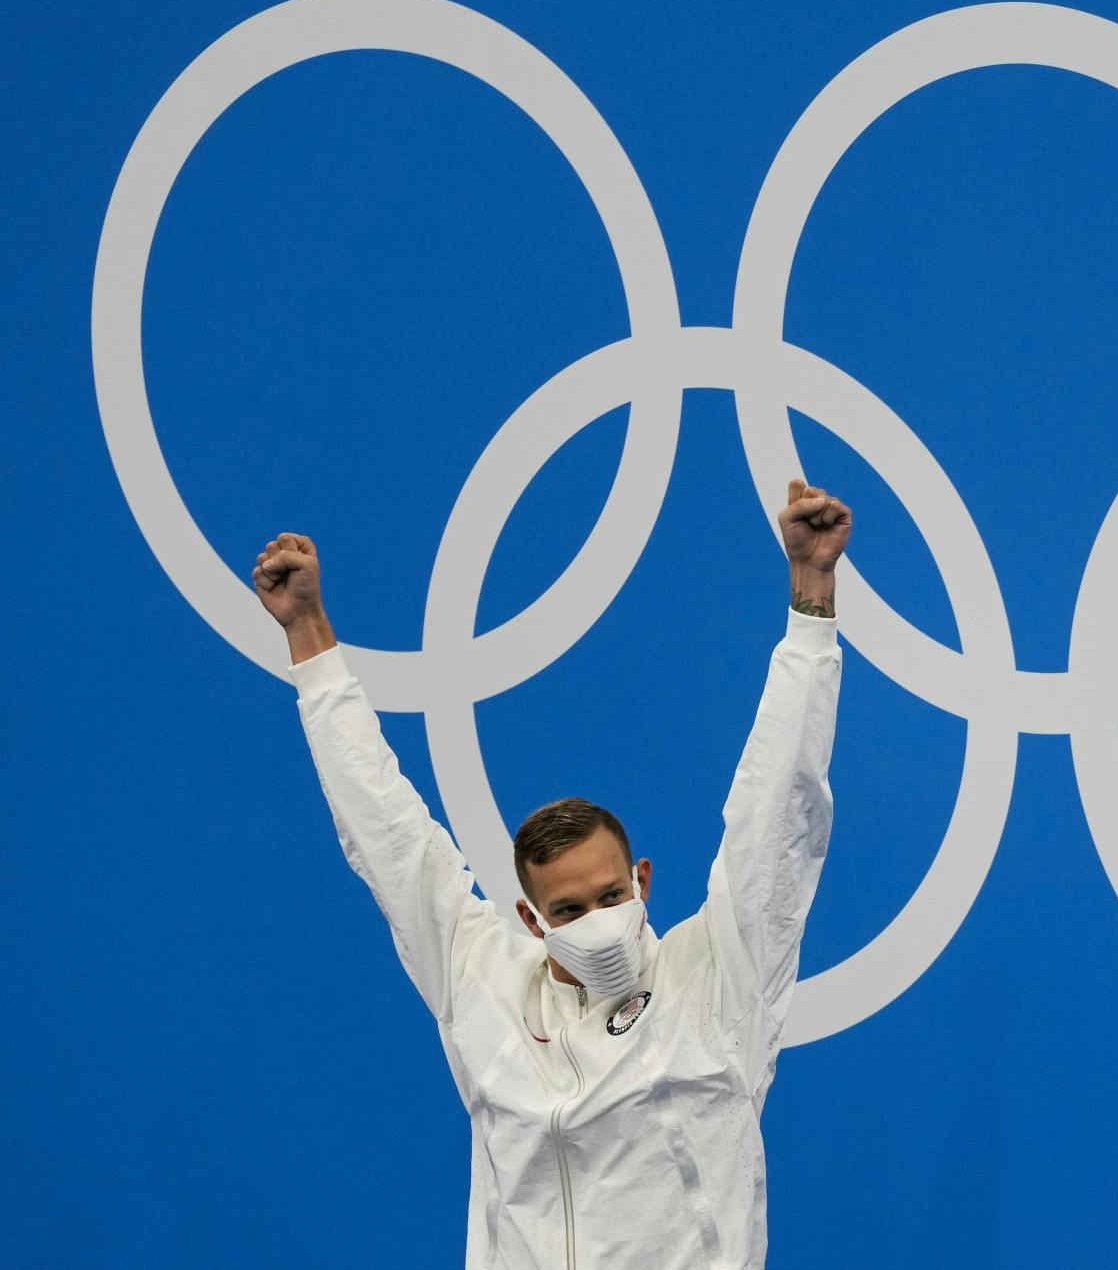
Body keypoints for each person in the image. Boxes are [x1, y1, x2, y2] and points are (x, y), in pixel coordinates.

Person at [251, 479, 853, 1270]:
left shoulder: (721, 976)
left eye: (611, 895)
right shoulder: (481, 979)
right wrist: (309, 637)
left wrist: (812, 601)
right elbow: (387, 832)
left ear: (642, 879)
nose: (599, 919)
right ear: (531, 921)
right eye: (569, 909)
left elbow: (780, 809)